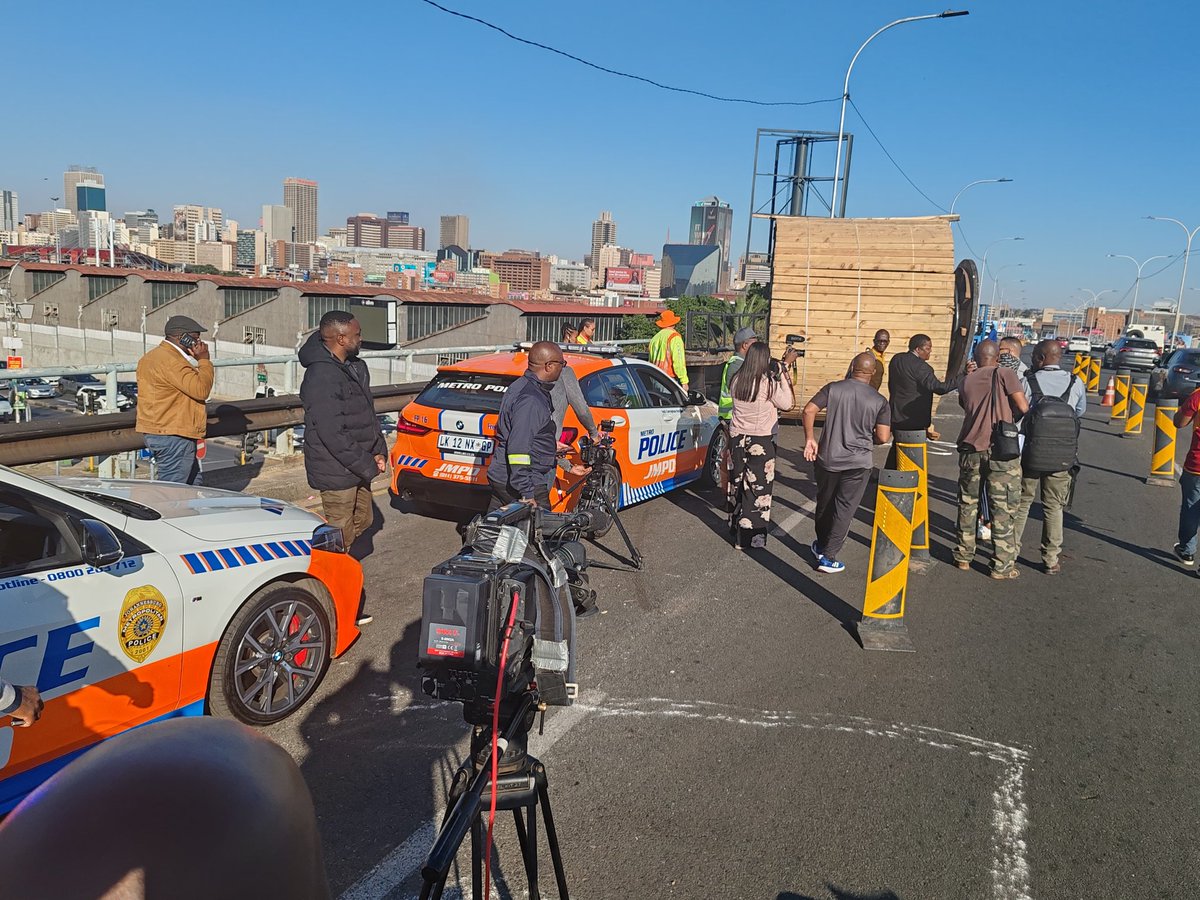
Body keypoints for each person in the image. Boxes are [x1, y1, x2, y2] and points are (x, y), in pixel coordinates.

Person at [299, 311, 385, 624]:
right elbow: (331, 433)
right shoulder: (321, 376)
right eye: (357, 335)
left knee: (365, 519)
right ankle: (332, 606)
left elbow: (366, 414)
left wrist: (378, 450)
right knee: (339, 534)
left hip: (357, 464)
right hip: (335, 469)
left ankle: (332, 572)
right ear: (340, 339)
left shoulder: (352, 367)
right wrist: (366, 463)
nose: (361, 339)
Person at [802, 353, 892, 574]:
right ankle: (829, 556)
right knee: (845, 508)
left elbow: (808, 410)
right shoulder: (879, 401)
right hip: (858, 462)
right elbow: (882, 437)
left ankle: (821, 544)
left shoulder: (834, 388)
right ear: (873, 373)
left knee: (824, 503)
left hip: (828, 459)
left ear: (852, 367)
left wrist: (810, 439)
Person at [953, 341, 1029, 579]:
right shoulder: (1005, 373)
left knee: (968, 503)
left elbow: (966, 406)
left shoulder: (966, 380)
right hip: (1000, 450)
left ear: (976, 356)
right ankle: (1001, 566)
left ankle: (963, 557)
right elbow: (1023, 407)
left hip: (970, 449)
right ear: (997, 357)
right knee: (1003, 507)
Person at [1013, 339, 1086, 575]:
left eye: (1034, 355)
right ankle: (1050, 558)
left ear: (1042, 358)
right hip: (1062, 457)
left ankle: (1011, 551)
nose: (1032, 359)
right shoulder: (1075, 382)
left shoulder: (1028, 381)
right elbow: (1079, 412)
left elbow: (1018, 414)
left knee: (1022, 503)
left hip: (1031, 454)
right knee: (1054, 507)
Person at [489, 341, 589, 511]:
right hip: (524, 481)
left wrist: (567, 466)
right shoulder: (531, 400)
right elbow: (518, 449)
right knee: (541, 532)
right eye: (562, 364)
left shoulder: (523, 386)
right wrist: (527, 494)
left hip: (506, 476)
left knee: (496, 532)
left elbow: (534, 441)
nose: (563, 368)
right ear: (549, 366)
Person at [727, 342, 797, 550]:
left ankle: (734, 526)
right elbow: (787, 404)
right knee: (757, 489)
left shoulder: (736, 380)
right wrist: (783, 373)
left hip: (737, 438)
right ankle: (748, 538)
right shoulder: (767, 384)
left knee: (737, 484)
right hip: (761, 440)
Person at [136, 315, 215, 485]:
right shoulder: (173, 362)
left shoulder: (151, 357)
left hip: (160, 430)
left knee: (193, 485)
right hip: (174, 435)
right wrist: (204, 360)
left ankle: (191, 511)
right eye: (195, 338)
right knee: (171, 492)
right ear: (182, 338)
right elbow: (201, 390)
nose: (199, 342)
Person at [887, 334, 961, 453]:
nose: (930, 351)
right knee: (911, 455)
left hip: (896, 415)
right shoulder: (921, 367)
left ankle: (890, 472)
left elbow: (892, 384)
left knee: (897, 451)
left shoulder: (897, 359)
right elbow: (939, 388)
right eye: (927, 348)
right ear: (917, 349)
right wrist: (962, 377)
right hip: (913, 419)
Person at [1172, 385, 1200, 568]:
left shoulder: (1197, 396)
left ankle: (1187, 550)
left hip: (1197, 465)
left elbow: (1179, 422)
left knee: (1191, 508)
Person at [719, 327, 758, 422]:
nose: (756, 348)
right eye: (754, 344)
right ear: (745, 345)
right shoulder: (737, 365)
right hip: (732, 416)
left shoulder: (741, 363)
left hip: (736, 415)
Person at [649, 309, 688, 388]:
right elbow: (678, 361)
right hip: (668, 379)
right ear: (674, 324)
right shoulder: (674, 337)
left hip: (654, 377)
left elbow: (650, 359)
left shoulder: (655, 338)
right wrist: (684, 381)